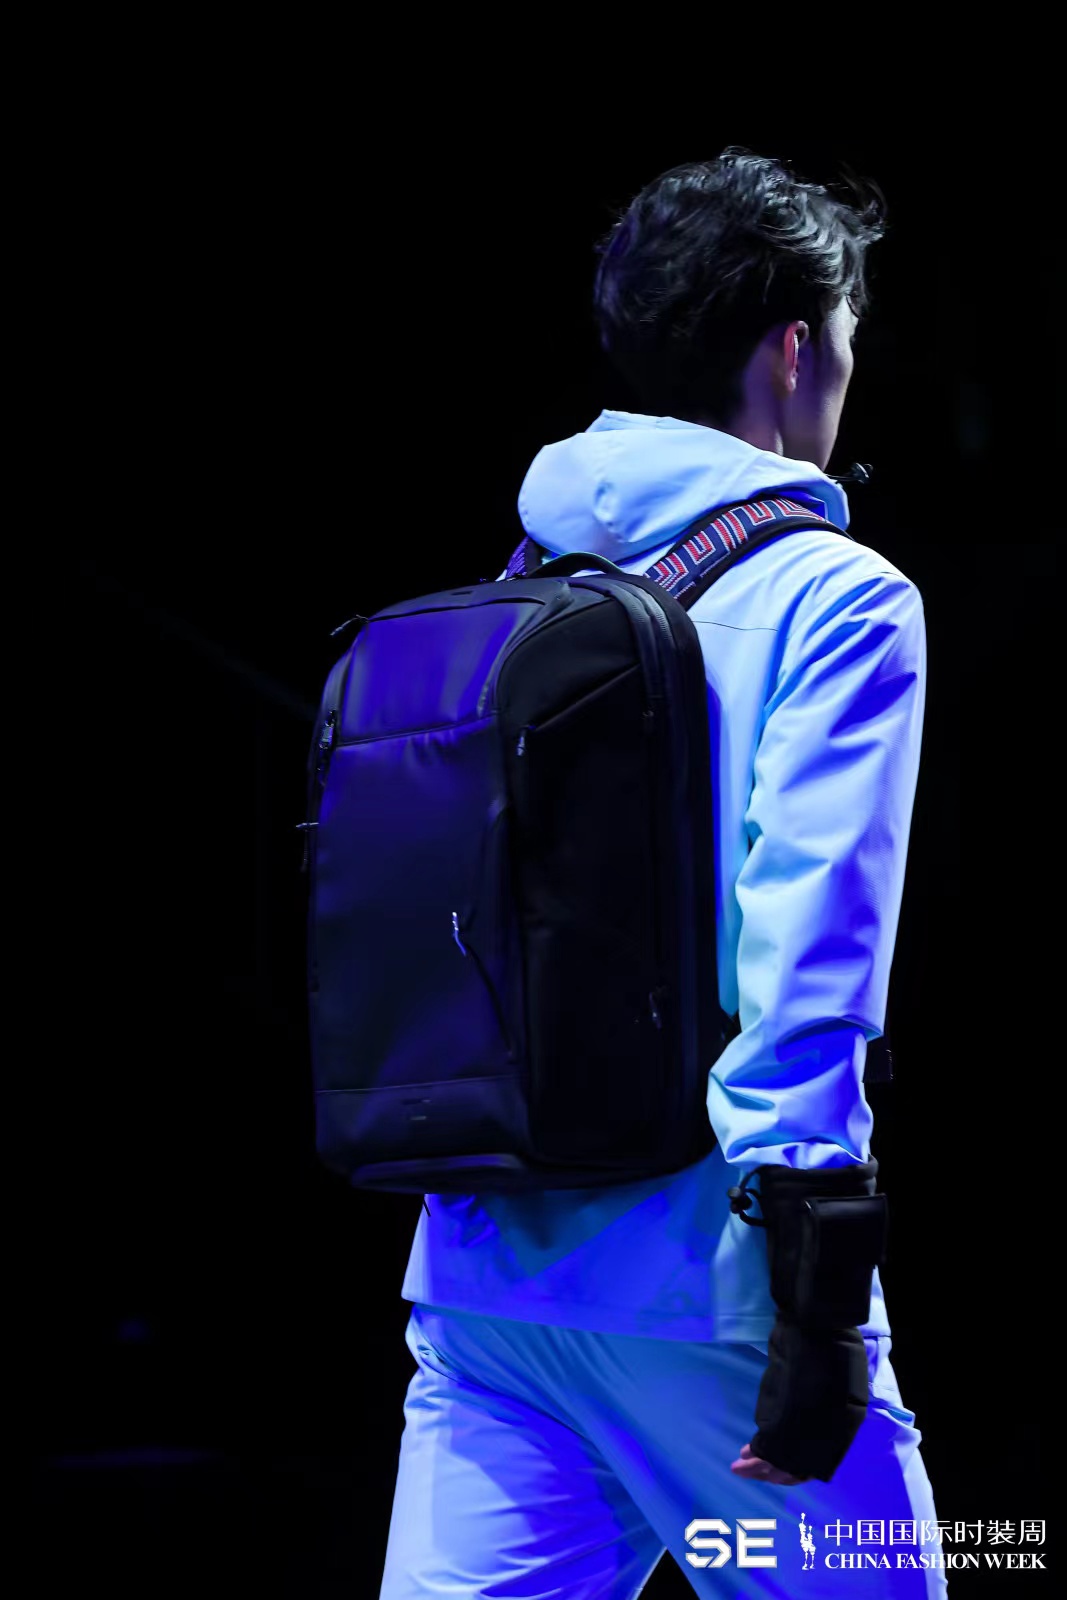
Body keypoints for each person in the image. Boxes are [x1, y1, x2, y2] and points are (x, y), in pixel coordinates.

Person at [379, 148, 944, 1598]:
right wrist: (819, 1300)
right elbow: (809, 950)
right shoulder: (836, 594)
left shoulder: (517, 581)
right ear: (796, 349)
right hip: (711, 1292)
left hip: (485, 1278)